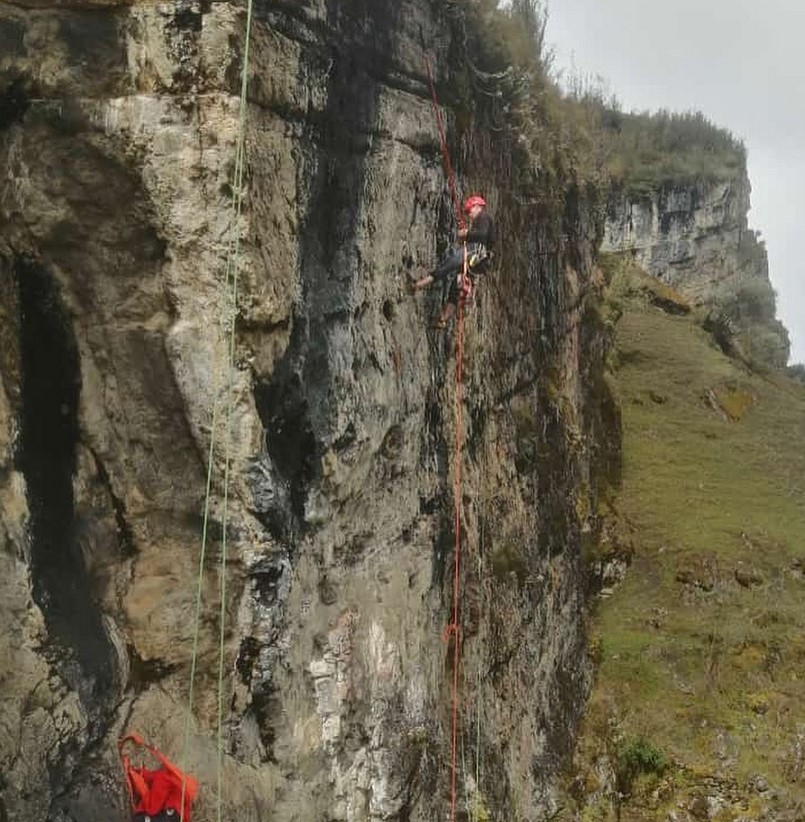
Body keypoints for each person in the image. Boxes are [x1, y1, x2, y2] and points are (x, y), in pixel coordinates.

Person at [410, 195, 496, 328]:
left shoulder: (483, 217)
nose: (469, 215)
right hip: (479, 260)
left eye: (470, 211)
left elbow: (481, 235)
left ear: (477, 207)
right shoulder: (484, 222)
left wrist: (466, 234)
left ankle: (419, 284)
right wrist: (466, 236)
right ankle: (442, 319)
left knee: (448, 265)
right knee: (456, 288)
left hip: (474, 252)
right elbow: (485, 238)